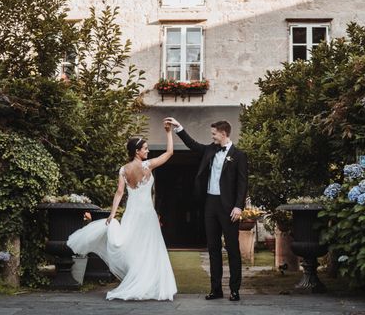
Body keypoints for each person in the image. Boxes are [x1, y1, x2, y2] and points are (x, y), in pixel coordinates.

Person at [66, 123, 177, 301]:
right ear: (137, 151)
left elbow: (119, 193)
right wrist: (169, 133)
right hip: (146, 213)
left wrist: (112, 214)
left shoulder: (123, 170)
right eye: (145, 149)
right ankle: (148, 284)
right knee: (149, 248)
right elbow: (169, 153)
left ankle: (141, 281)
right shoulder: (147, 166)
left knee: (133, 248)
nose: (148, 152)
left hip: (132, 213)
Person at [164, 117, 248, 302]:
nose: (212, 136)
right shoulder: (210, 149)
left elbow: (243, 183)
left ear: (223, 134)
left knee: (232, 249)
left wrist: (238, 206)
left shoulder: (239, 155)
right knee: (213, 248)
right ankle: (216, 289)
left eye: (214, 133)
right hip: (210, 204)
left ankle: (234, 290)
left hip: (229, 208)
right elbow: (193, 145)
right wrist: (179, 127)